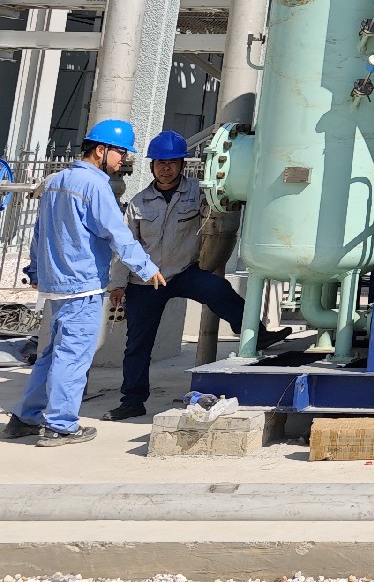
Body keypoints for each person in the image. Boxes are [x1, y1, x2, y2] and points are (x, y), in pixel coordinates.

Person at [5, 120, 162, 446]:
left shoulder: (56, 181)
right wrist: (146, 268)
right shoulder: (95, 186)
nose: (123, 160)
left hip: (56, 284)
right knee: (72, 356)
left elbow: (39, 232)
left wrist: (35, 270)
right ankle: (60, 425)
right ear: (101, 150)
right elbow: (118, 234)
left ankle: (26, 417)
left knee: (51, 354)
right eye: (121, 153)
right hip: (83, 285)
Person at [107, 129, 281, 421]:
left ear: (181, 165)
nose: (166, 168)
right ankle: (132, 401)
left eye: (172, 163)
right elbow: (126, 246)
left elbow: (224, 202)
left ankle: (255, 334)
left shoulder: (198, 193)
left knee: (217, 289)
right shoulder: (139, 203)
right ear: (152, 166)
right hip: (146, 280)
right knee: (137, 344)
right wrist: (117, 284)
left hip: (183, 271)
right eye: (160, 163)